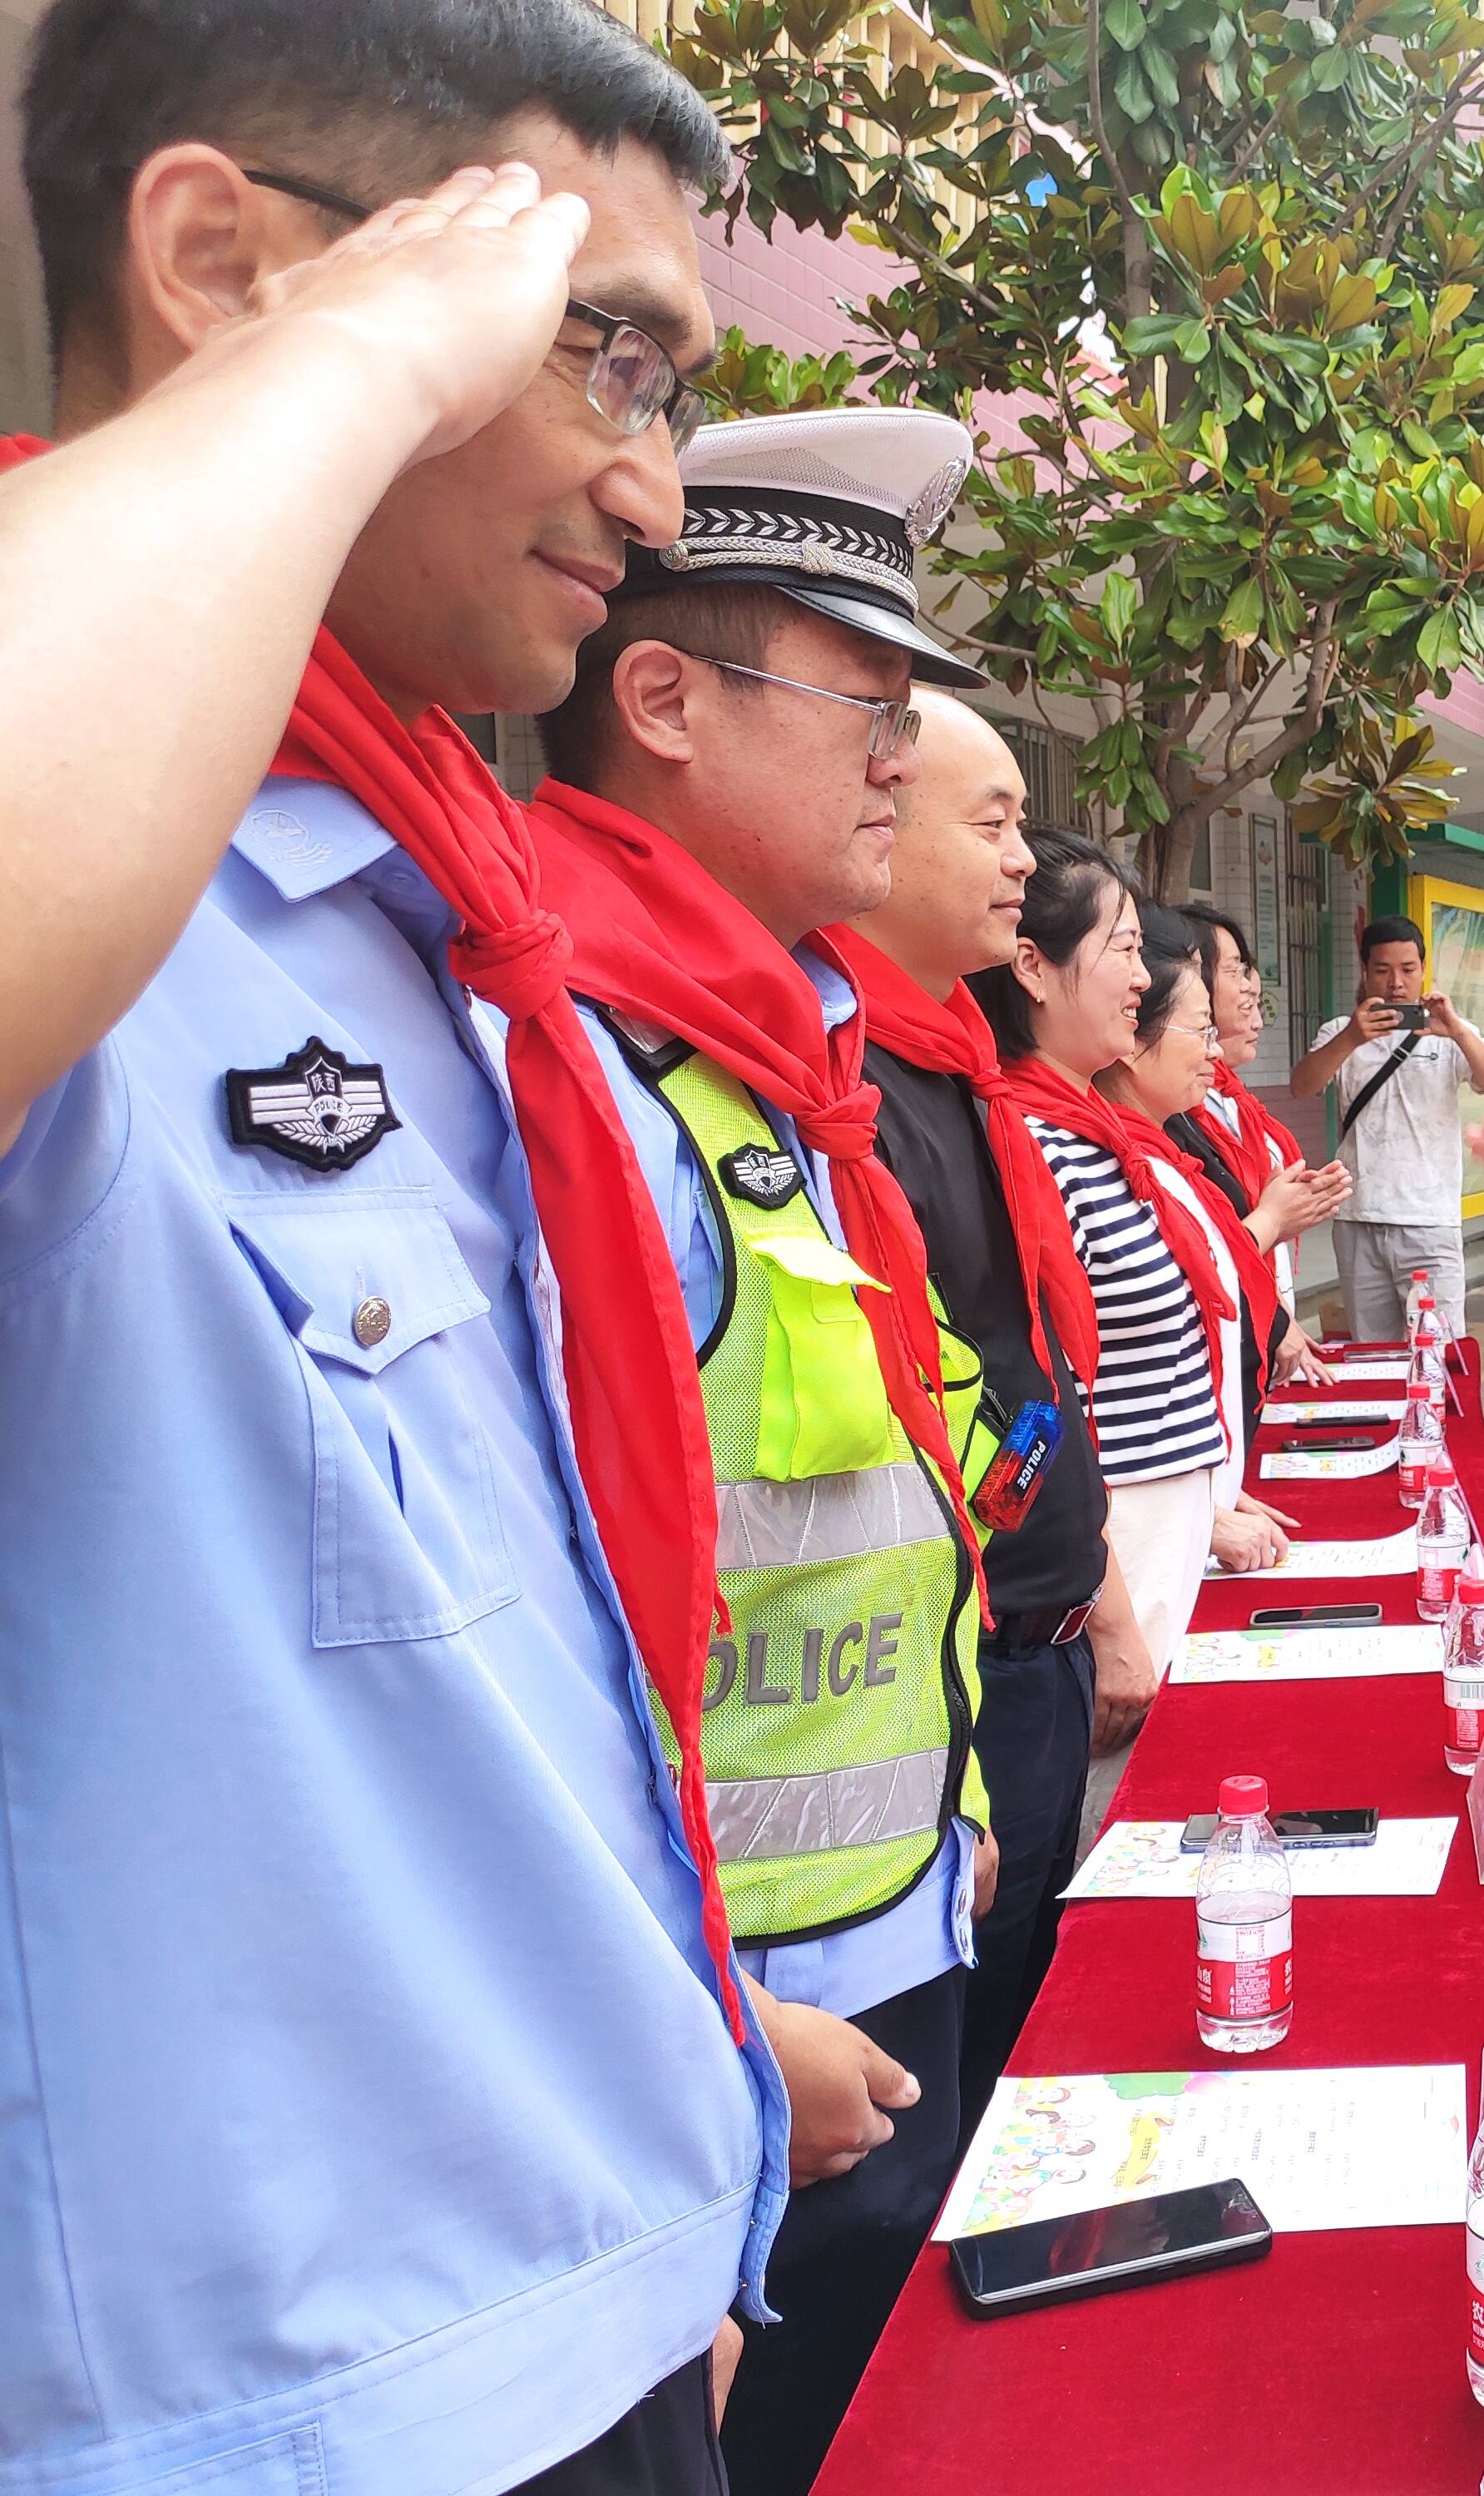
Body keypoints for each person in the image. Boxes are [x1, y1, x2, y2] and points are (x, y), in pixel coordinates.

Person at [0, 8, 790, 2489]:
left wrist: (681, 2119)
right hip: (280, 2417)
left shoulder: (432, 914)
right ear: (220, 260)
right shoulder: (104, 910)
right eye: (591, 347)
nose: (654, 484)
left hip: (592, 2298)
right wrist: (353, 357)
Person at [527, 407, 999, 2496]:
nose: (905, 757)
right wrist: (698, 2028)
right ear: (660, 701)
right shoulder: (578, 1071)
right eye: (865, 703)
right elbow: (540, 1632)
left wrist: (956, 1803)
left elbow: (882, 1497)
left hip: (880, 1936)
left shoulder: (773, 1063)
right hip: (735, 2032)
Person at [826, 691, 1155, 2124]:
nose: (1024, 857)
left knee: (1023, 2034)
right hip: (952, 1671)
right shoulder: (841, 1077)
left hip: (1038, 1633)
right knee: (949, 2090)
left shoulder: (956, 1061)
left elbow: (1031, 1370)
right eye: (995, 822)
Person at [976, 842, 1229, 1674]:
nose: (1141, 979)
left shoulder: (1099, 1137)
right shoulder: (1034, 1148)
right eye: (1123, 949)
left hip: (1159, 1537)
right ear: (1033, 970)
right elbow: (1033, 1396)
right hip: (1113, 1562)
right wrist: (1100, 1605)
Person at [1101, 909, 1313, 1564]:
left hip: (1188, 1494)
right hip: (1137, 1537)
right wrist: (1201, 1507)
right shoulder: (1085, 1155)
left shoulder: (1159, 1148)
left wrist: (1210, 1489)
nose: (1216, 1050)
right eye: (1201, 1029)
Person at [1293, 911, 1484, 1338]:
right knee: (1373, 1354)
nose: (1396, 982)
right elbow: (1303, 1087)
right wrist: (1352, 1038)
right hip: (1358, 1218)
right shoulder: (1340, 1031)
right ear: (1365, 971)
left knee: (1439, 1352)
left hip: (1430, 1219)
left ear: (1424, 969)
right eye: (1383, 970)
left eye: (1408, 969)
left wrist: (1457, 1032)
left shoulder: (1451, 1033)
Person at [1170, 896, 1349, 1374]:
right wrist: (1275, 1217)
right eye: (1234, 970)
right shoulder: (1175, 1114)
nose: (1251, 988)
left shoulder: (1234, 1100)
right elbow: (1211, 1247)